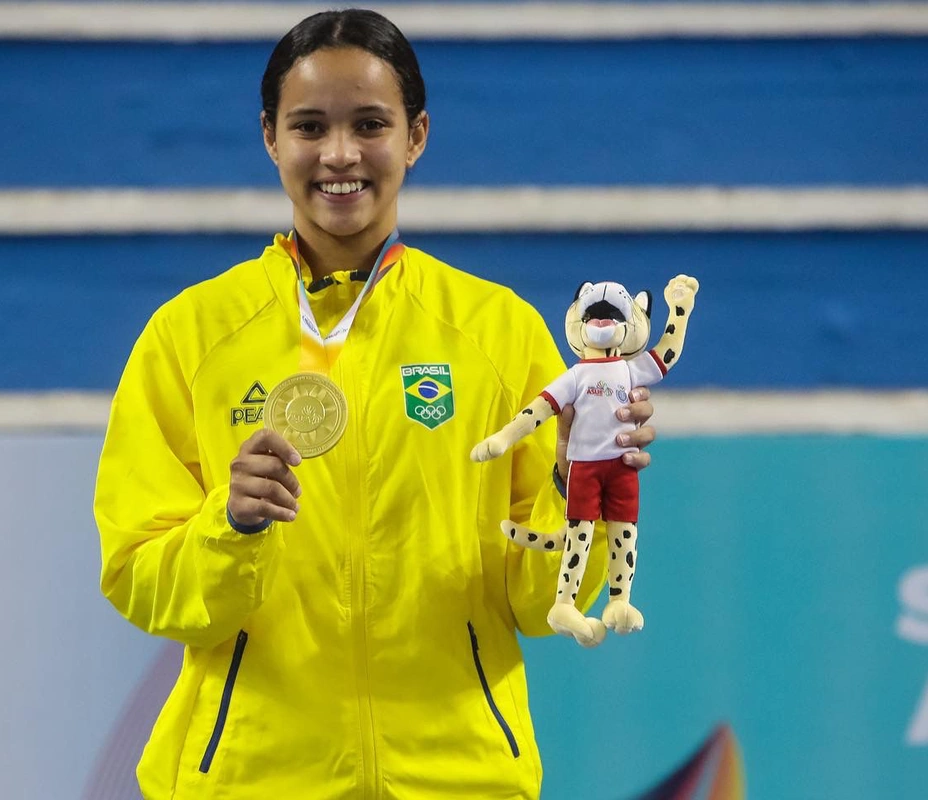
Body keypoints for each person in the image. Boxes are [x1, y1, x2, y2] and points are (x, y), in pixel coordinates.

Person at [94, 9, 657, 799]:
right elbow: (138, 578)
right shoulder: (191, 337)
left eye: (370, 125)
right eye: (309, 126)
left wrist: (573, 485)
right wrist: (232, 525)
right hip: (252, 779)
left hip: (458, 778)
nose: (339, 155)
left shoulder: (496, 332)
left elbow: (539, 607)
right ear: (269, 137)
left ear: (416, 135)